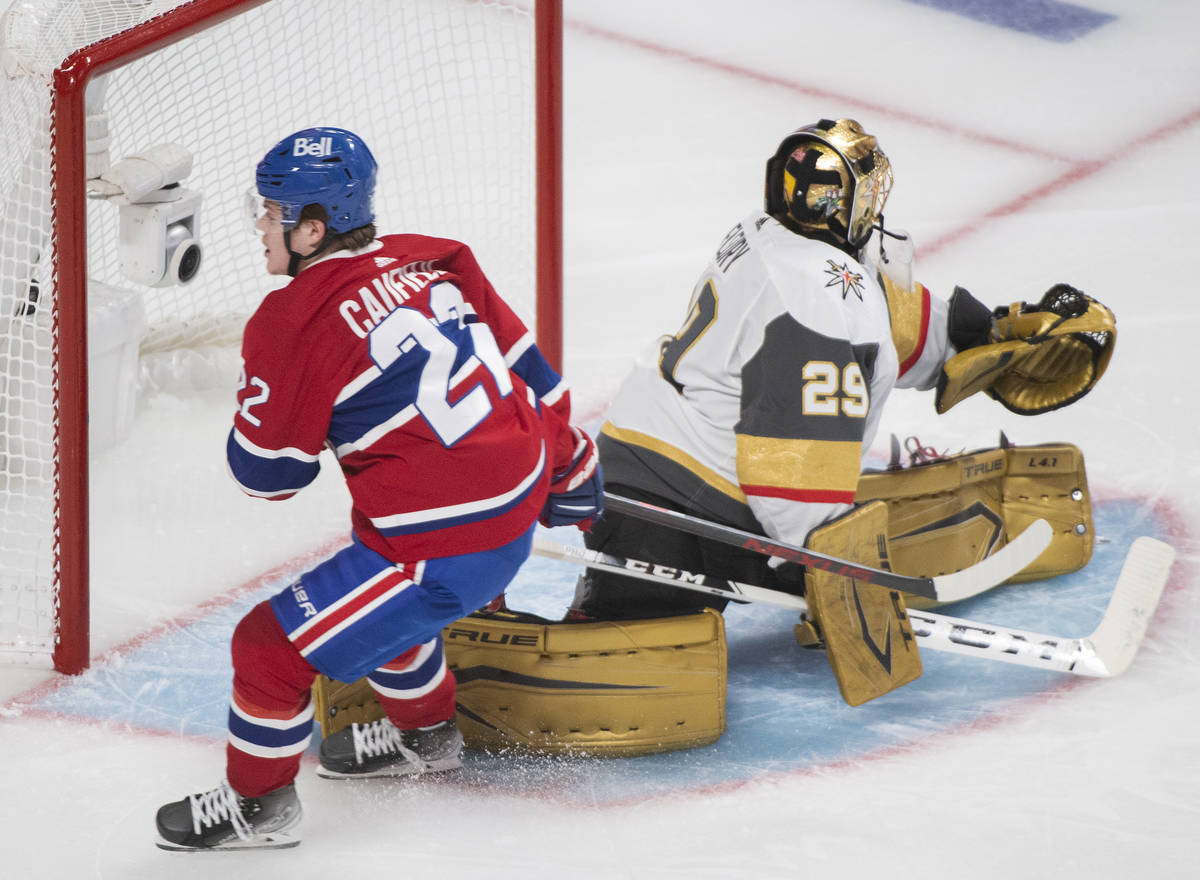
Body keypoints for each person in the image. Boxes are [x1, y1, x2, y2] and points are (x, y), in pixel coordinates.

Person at [155, 127, 601, 851]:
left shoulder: (292, 321)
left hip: (447, 545)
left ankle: (259, 808)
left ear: (312, 227)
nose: (261, 226)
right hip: (515, 491)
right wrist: (567, 454)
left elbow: (270, 477)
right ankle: (427, 739)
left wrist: (265, 400)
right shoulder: (430, 256)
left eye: (272, 214)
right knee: (383, 582)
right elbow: (527, 367)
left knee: (266, 648)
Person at [568, 117, 1110, 623]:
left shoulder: (775, 234)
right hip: (682, 516)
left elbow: (880, 312)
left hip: (643, 468)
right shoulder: (819, 297)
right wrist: (825, 563)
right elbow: (791, 456)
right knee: (634, 651)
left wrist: (978, 334)